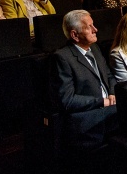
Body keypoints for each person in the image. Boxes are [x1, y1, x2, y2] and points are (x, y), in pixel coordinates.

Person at [49, 10, 118, 151]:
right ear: (75, 35)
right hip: (88, 118)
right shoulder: (62, 58)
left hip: (109, 107)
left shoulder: (95, 48)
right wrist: (101, 101)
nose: (95, 30)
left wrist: (112, 93)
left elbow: (109, 76)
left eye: (93, 25)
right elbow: (67, 100)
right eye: (89, 27)